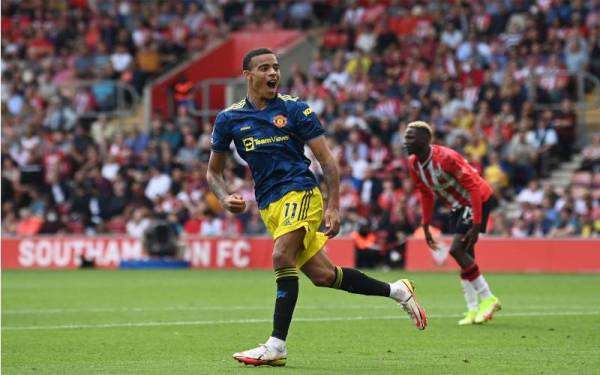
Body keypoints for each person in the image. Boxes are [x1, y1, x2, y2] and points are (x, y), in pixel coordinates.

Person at [206, 48, 427, 367]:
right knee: (324, 276)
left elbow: (326, 160)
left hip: (301, 191)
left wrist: (334, 206)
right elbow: (213, 172)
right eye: (265, 68)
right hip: (270, 204)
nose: (273, 74)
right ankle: (396, 290)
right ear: (248, 76)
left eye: (276, 68)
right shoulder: (229, 119)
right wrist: (225, 197)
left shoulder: (296, 110)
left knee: (282, 256)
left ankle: (276, 345)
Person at [404, 121, 501, 326]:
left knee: (457, 250)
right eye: (405, 136)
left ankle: (488, 298)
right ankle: (473, 309)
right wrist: (426, 224)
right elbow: (425, 194)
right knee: (465, 256)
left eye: (410, 136)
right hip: (458, 206)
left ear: (425, 139)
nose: (405, 140)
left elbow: (474, 187)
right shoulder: (413, 164)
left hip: (478, 199)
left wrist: (476, 224)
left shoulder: (446, 158)